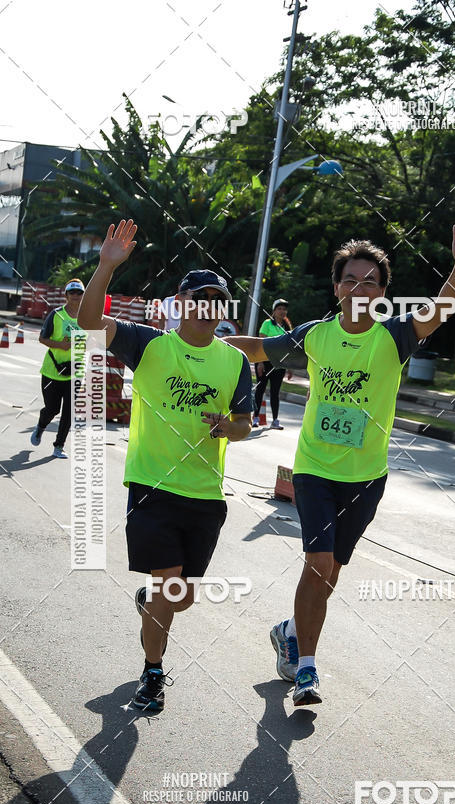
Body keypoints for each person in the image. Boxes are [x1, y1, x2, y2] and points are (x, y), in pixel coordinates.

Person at [225, 226, 455, 706]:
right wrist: (195, 345)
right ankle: (306, 671)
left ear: (383, 293)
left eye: (370, 282)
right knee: (317, 564)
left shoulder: (394, 334)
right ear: (336, 287)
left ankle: (288, 631)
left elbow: (442, 308)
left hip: (365, 478)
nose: (359, 289)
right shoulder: (316, 336)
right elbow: (258, 348)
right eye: (350, 280)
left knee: (332, 572)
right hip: (315, 469)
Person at [78, 220, 253, 712]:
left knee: (179, 596)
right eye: (198, 297)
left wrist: (229, 427)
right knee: (168, 581)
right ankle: (153, 674)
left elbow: (245, 422)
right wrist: (107, 266)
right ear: (181, 303)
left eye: (216, 299)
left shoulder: (234, 361)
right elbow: (89, 325)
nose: (207, 307)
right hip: (152, 485)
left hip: (205, 494)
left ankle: (150, 603)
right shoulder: (150, 344)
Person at [30, 279, 85, 459]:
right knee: (52, 409)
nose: (76, 296)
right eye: (72, 293)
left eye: (79, 293)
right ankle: (40, 426)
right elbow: (42, 338)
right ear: (66, 295)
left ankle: (58, 446)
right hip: (52, 371)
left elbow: (95, 341)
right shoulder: (56, 315)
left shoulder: (87, 317)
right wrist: (60, 345)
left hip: (75, 372)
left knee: (69, 412)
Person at [253, 298, 293, 429]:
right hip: (265, 363)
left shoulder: (287, 327)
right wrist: (260, 363)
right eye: (279, 309)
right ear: (274, 311)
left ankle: (275, 420)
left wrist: (290, 366)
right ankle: (256, 418)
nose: (282, 311)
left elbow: (289, 348)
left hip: (279, 364)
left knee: (275, 392)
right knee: (260, 389)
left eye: (284, 309)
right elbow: (260, 344)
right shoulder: (267, 324)